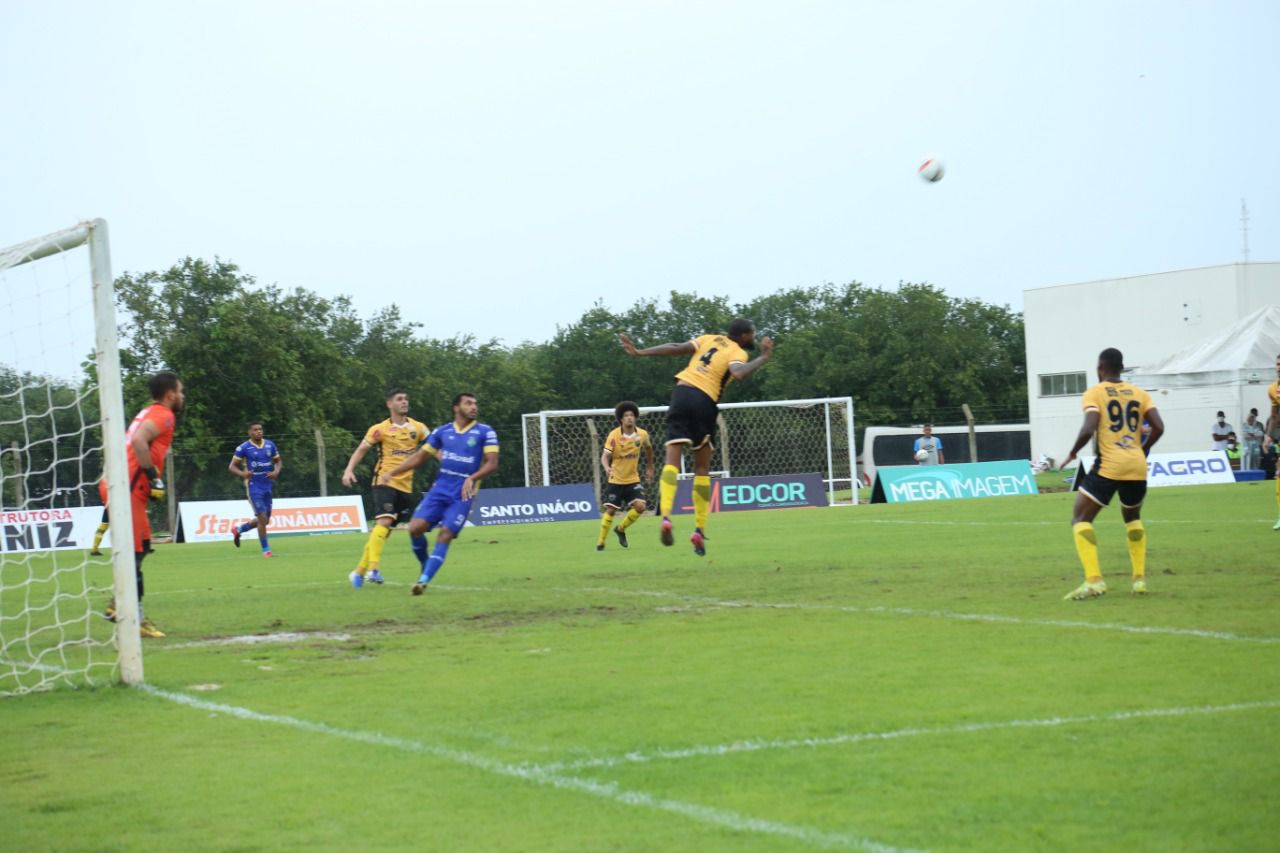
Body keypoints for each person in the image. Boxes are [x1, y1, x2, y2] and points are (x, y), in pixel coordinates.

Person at [619, 318, 773, 556]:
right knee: (701, 469)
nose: (753, 337)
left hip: (681, 393)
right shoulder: (737, 352)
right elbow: (738, 373)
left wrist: (640, 352)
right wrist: (763, 358)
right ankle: (698, 529)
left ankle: (667, 517)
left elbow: (674, 347)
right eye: (751, 334)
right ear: (743, 336)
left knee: (671, 462)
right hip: (705, 401)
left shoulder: (707, 338)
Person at [1061, 348, 1164, 600]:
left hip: (1109, 465)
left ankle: (1094, 581)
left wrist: (1074, 451)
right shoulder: (1139, 393)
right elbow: (1159, 427)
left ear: (1101, 367)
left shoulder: (1095, 393)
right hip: (1136, 465)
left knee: (1080, 517)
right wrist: (1144, 448)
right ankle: (1139, 580)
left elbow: (1089, 427)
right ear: (1122, 367)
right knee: (1132, 518)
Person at [378, 392, 499, 596]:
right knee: (415, 528)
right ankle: (427, 567)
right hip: (439, 490)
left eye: (475, 404)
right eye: (468, 403)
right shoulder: (442, 432)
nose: (473, 407)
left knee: (445, 534)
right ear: (456, 408)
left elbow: (492, 463)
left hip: (463, 494)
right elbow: (420, 457)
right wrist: (392, 473)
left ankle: (423, 581)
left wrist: (472, 477)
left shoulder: (485, 432)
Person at [99, 371, 185, 638]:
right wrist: (153, 478)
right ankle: (131, 615)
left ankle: (119, 605)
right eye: (180, 392)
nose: (182, 397)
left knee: (142, 547)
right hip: (128, 487)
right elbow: (138, 441)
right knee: (134, 552)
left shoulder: (147, 411)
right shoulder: (163, 414)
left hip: (123, 484)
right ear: (170, 394)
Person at [341, 388, 429, 587]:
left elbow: (434, 447)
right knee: (385, 521)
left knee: (384, 531)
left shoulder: (418, 428)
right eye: (399, 399)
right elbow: (362, 449)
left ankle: (358, 572)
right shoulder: (379, 429)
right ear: (390, 404)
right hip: (384, 481)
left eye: (406, 399)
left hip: (406, 487)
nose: (404, 402)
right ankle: (374, 570)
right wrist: (349, 470)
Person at [597, 401, 655, 551]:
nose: (630, 418)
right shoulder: (614, 435)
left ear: (635, 417)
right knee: (610, 510)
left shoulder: (642, 435)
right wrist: (606, 467)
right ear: (621, 419)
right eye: (626, 415)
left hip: (632, 479)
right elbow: (605, 456)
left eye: (632, 415)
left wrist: (650, 467)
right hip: (616, 479)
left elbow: (649, 449)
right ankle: (601, 542)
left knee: (641, 506)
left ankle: (621, 529)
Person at [228, 421, 282, 557]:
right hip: (254, 487)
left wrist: (276, 472)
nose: (259, 431)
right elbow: (232, 466)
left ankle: (238, 529)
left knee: (265, 520)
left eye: (260, 429)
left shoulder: (270, 445)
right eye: (255, 430)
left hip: (267, 485)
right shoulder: (244, 448)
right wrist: (242, 474)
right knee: (262, 518)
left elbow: (278, 461)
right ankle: (266, 551)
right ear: (250, 432)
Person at [1264, 353, 1280, 528]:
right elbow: (1274, 415)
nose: (1279, 367)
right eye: (1277, 364)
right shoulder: (1272, 389)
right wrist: (1268, 436)